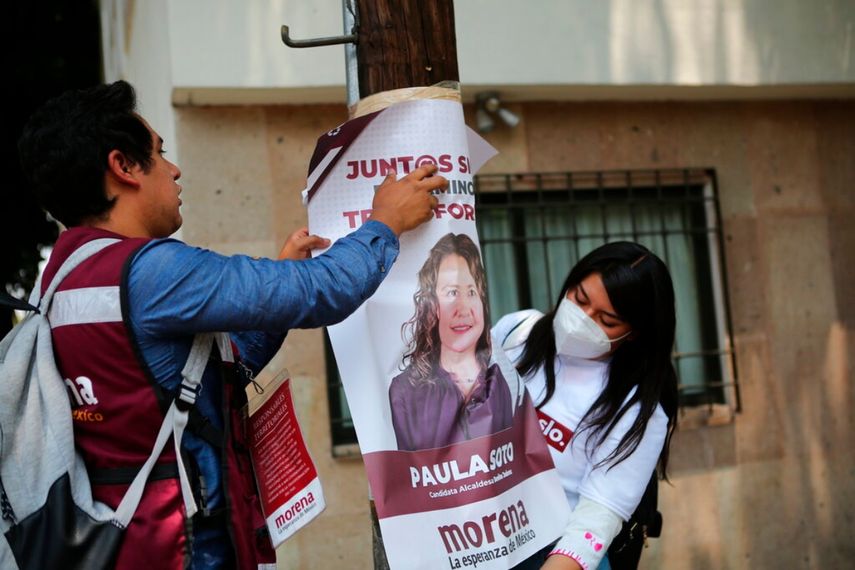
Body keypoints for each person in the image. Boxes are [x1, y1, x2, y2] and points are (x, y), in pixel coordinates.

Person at [16, 80, 447, 569]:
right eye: (159, 154)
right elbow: (323, 291)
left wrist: (278, 285)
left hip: (124, 544)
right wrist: (385, 222)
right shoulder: (151, 272)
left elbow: (198, 378)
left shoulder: (61, 278)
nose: (174, 170)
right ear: (123, 167)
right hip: (185, 549)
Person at [493, 242, 678, 570]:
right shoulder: (517, 332)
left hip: (553, 554)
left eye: (606, 320)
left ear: (634, 333)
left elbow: (596, 518)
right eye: (579, 299)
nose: (582, 320)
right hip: (473, 535)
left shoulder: (636, 406)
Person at [389, 232, 513, 451]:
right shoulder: (405, 390)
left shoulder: (498, 380)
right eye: (452, 293)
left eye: (472, 292)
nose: (464, 308)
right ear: (431, 306)